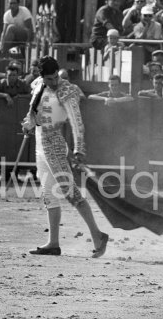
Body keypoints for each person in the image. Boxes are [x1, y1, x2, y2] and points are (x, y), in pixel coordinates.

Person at [21, 56, 109, 257]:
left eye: (55, 77)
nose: (53, 82)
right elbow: (33, 114)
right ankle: (53, 243)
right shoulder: (37, 85)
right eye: (49, 79)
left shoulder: (66, 90)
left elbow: (77, 123)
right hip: (40, 144)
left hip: (55, 145)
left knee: (71, 193)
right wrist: (28, 125)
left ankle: (98, 235)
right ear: (41, 76)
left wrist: (79, 149)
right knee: (48, 194)